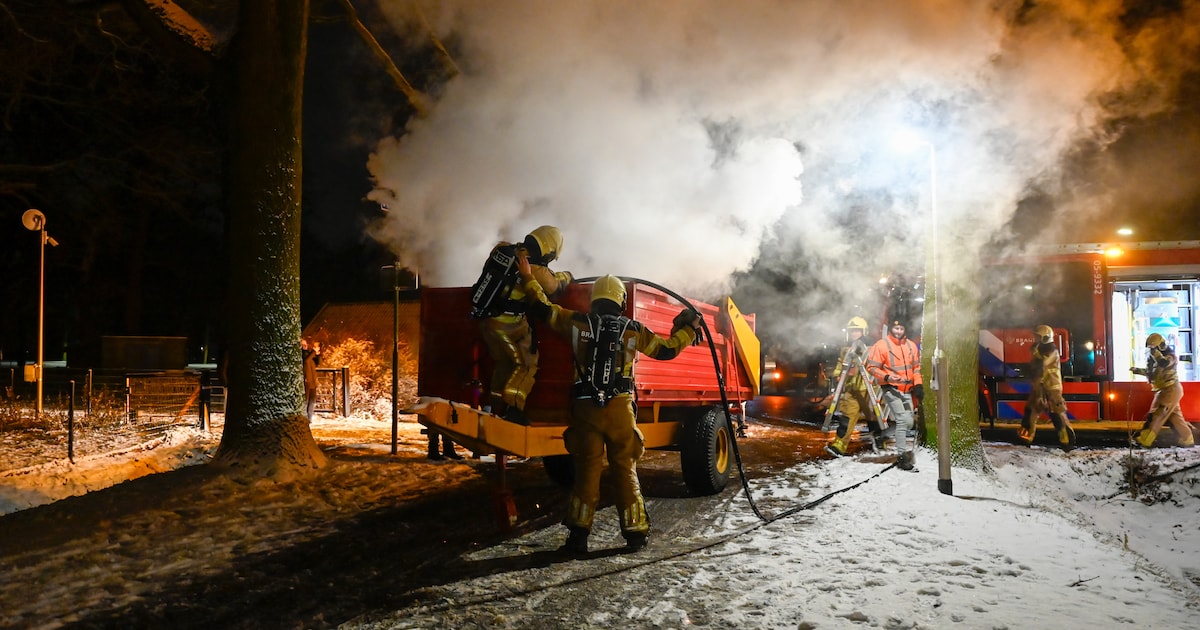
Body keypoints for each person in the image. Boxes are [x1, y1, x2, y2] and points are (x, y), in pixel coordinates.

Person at [518, 257, 701, 555]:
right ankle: (635, 535)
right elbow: (666, 351)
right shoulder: (633, 329)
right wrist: (689, 329)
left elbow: (542, 309)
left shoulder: (575, 321)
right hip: (619, 409)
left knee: (587, 472)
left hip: (585, 409)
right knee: (625, 469)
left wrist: (528, 276)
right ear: (620, 300)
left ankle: (578, 538)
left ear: (595, 299)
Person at [475, 225, 573, 424]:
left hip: (486, 320)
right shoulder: (534, 268)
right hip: (508, 325)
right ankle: (513, 409)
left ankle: (494, 406)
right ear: (549, 250)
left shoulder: (503, 250)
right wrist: (567, 276)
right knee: (527, 363)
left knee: (504, 362)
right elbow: (554, 286)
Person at [865, 320, 923, 471]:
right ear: (891, 328)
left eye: (901, 327)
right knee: (903, 421)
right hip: (890, 388)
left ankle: (880, 435)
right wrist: (887, 378)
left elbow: (916, 367)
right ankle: (902, 457)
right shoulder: (881, 345)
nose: (898, 331)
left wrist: (918, 384)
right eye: (896, 328)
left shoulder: (910, 345)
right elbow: (871, 367)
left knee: (909, 422)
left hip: (906, 390)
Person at [825, 316, 885, 457]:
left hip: (870, 389)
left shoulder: (872, 346)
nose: (854, 333)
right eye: (852, 331)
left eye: (857, 330)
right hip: (852, 389)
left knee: (874, 417)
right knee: (847, 417)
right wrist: (837, 375)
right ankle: (839, 446)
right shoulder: (846, 349)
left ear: (864, 331)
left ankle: (880, 442)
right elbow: (841, 365)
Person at [1016, 325, 1077, 451]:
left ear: (1045, 338)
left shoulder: (1052, 351)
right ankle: (1025, 440)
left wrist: (1033, 360)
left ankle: (1067, 442)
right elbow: (1034, 366)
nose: (1035, 338)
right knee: (1030, 411)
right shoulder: (1038, 349)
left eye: (1038, 336)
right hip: (1039, 386)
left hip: (1052, 387)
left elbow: (1042, 364)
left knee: (1057, 414)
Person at [1131, 333, 1194, 448]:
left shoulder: (1170, 356)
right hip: (1165, 389)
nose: (1151, 351)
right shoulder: (1154, 358)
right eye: (1150, 348)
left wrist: (1156, 354)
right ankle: (1187, 438)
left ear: (1160, 346)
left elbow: (1164, 363)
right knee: (1175, 418)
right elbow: (1151, 373)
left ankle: (1145, 439)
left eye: (1153, 348)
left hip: (1169, 389)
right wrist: (1137, 370)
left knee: (1157, 414)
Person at [301, 338, 321, 419]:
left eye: (306, 344)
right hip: (306, 380)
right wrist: (313, 352)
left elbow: (318, 363)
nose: (305, 346)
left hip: (312, 380)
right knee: (306, 400)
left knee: (312, 401)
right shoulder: (302, 355)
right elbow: (306, 361)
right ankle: (305, 418)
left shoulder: (309, 354)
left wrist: (318, 354)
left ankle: (309, 418)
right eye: (303, 345)